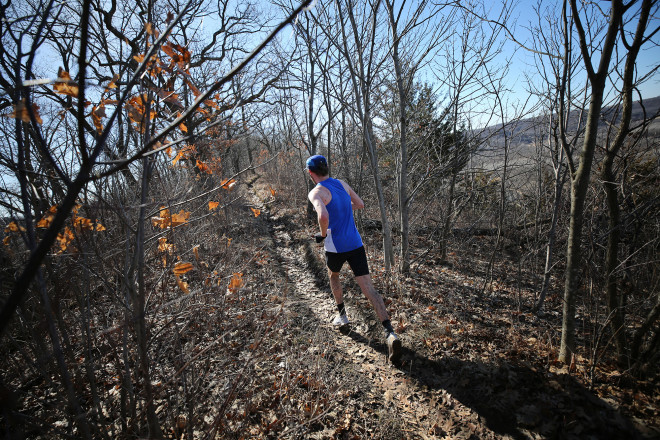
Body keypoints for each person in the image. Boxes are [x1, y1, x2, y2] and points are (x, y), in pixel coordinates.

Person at [305, 154, 402, 364]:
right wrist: (344, 210)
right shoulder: (341, 183)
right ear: (326, 168)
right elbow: (360, 204)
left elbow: (322, 217)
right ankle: (390, 332)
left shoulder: (316, 192)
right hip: (356, 243)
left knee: (333, 275)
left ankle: (342, 316)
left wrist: (322, 235)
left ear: (311, 173)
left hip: (335, 247)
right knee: (368, 287)